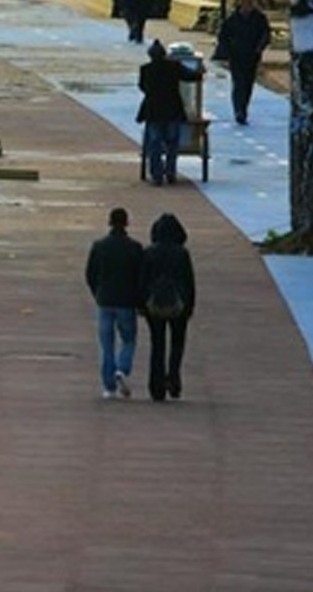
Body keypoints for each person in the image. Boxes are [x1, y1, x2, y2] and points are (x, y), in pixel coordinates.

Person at [85, 207, 145, 400]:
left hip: (105, 300)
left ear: (109, 222)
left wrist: (97, 293)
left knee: (106, 344)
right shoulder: (135, 247)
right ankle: (122, 368)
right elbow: (141, 277)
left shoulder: (99, 246)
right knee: (128, 339)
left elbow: (90, 274)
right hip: (126, 301)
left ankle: (109, 386)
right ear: (126, 223)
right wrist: (139, 301)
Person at [139, 212, 196, 402]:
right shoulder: (182, 253)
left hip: (154, 303)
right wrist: (190, 306)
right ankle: (173, 378)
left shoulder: (149, 252)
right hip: (178, 303)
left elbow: (142, 280)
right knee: (177, 343)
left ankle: (156, 386)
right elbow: (189, 282)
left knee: (157, 344)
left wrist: (140, 304)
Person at [137, 39, 204, 186]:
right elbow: (192, 77)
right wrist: (201, 70)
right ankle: (170, 171)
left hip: (153, 110)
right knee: (172, 143)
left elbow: (142, 87)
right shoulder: (174, 67)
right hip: (172, 109)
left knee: (154, 143)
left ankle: (157, 174)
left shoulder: (145, 69)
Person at [214, 0, 272, 124]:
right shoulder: (233, 19)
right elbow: (223, 36)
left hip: (252, 56)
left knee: (247, 84)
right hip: (236, 56)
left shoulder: (259, 18)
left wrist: (259, 48)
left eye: (249, 1)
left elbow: (266, 34)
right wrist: (227, 50)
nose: (247, 5)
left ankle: (243, 108)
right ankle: (239, 111)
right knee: (238, 83)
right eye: (244, 1)